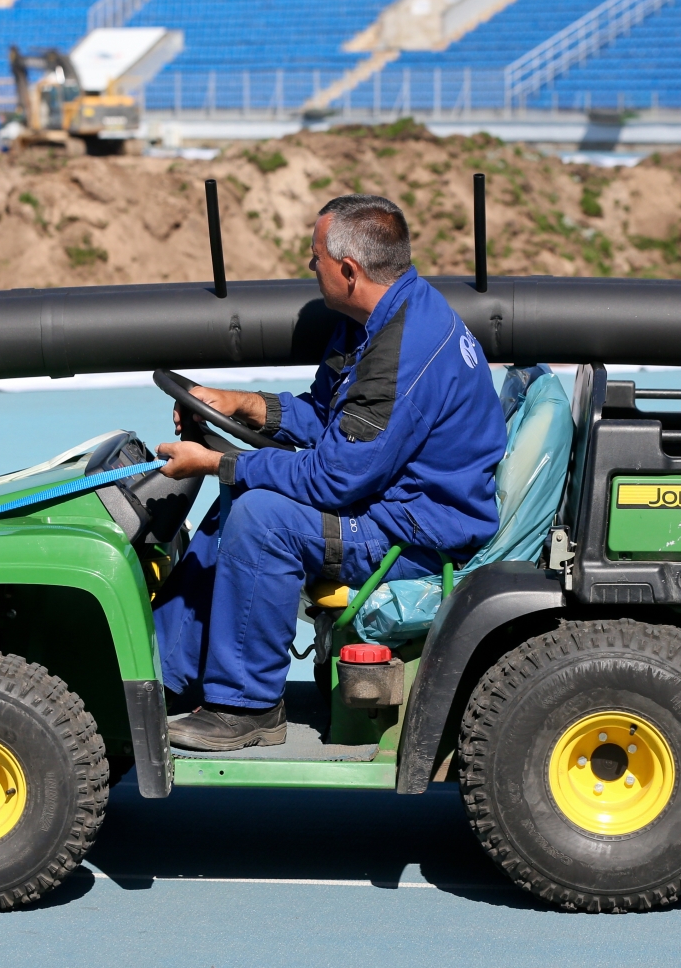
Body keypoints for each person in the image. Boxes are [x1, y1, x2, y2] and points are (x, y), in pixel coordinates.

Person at [152, 194, 507, 751]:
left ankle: (247, 709)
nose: (308, 265)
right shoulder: (376, 318)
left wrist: (218, 462)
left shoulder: (401, 352)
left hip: (411, 534)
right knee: (238, 503)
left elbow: (334, 480)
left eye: (314, 256)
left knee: (260, 515)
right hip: (387, 501)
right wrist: (238, 402)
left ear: (348, 270)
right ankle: (163, 679)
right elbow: (326, 418)